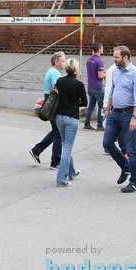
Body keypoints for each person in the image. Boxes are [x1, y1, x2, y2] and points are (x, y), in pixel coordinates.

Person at [102, 45, 136, 193]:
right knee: (107, 143)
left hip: (129, 114)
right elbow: (113, 91)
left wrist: (135, 116)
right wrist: (108, 108)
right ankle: (125, 166)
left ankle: (135, 182)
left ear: (126, 57)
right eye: (114, 57)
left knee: (131, 149)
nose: (114, 60)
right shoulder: (115, 72)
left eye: (117, 57)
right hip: (115, 113)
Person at [54, 57, 87, 187]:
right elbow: (85, 102)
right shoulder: (79, 84)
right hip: (72, 117)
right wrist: (74, 102)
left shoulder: (59, 81)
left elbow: (56, 94)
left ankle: (71, 172)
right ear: (75, 69)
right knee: (67, 147)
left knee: (65, 144)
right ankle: (61, 179)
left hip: (59, 116)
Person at [29, 52, 66, 168]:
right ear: (56, 62)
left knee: (56, 131)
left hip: (49, 101)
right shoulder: (55, 73)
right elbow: (57, 89)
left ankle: (37, 150)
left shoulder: (51, 71)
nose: (64, 63)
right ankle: (55, 161)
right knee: (58, 133)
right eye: (63, 61)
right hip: (53, 103)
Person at [84, 42, 106, 131]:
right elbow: (100, 75)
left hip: (90, 86)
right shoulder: (99, 61)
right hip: (98, 87)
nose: (103, 49)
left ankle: (87, 123)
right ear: (99, 49)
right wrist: (106, 73)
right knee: (101, 106)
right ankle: (100, 125)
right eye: (102, 48)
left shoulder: (89, 60)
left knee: (91, 106)